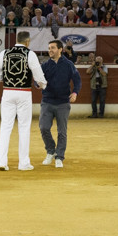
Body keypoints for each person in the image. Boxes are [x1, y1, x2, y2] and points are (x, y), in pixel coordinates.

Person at [0, 31, 47, 171]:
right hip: (24, 93)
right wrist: (43, 84)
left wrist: (7, 79)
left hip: (8, 92)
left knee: (5, 127)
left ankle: (2, 162)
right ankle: (23, 163)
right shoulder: (30, 54)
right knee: (24, 127)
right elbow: (39, 76)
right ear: (27, 42)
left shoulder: (4, 53)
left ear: (16, 40)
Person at [39, 40, 81, 168]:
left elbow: (77, 80)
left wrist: (75, 93)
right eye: (49, 48)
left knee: (62, 132)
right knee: (44, 128)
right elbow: (38, 80)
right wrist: (37, 84)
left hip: (63, 102)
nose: (50, 50)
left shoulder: (68, 64)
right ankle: (51, 151)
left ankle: (59, 156)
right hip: (47, 101)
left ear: (60, 49)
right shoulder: (45, 65)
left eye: (53, 48)